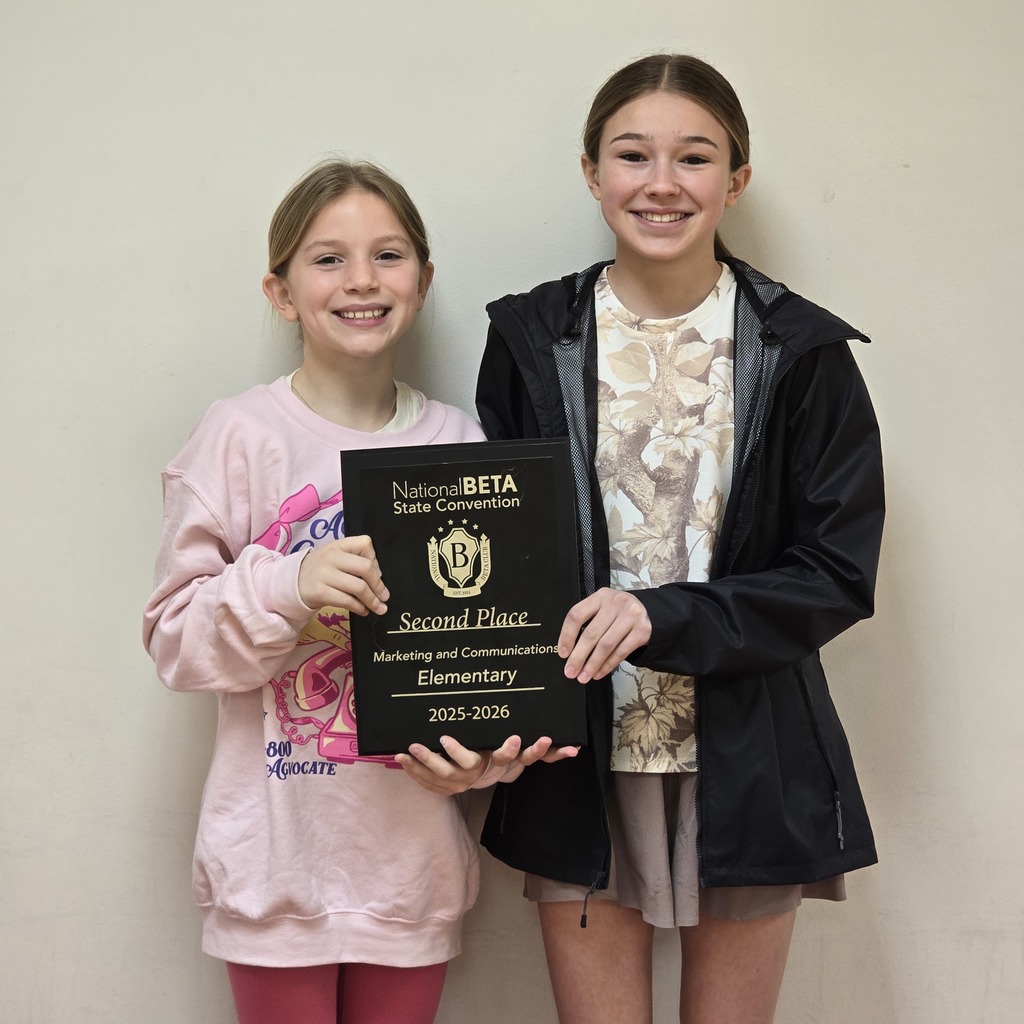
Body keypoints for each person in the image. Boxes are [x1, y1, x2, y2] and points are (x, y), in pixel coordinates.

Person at [472, 54, 885, 1024]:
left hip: (749, 757)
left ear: (735, 179)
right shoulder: (528, 337)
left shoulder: (804, 352)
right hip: (575, 761)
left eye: (693, 157)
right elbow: (494, 551)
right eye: (632, 154)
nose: (661, 183)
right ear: (591, 172)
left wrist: (655, 615)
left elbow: (833, 574)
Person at [142, 158, 572, 1024]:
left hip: (408, 869)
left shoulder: (464, 442)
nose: (363, 280)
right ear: (282, 291)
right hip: (273, 862)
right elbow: (174, 644)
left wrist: (490, 754)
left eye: (389, 254)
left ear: (424, 279)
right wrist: (287, 582)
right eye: (328, 258)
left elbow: (492, 651)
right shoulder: (239, 438)